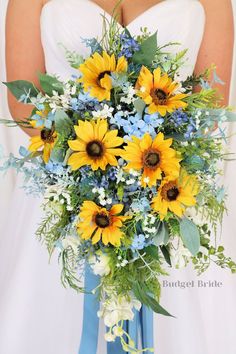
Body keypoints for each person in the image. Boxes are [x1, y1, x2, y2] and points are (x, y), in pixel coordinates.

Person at [0, 1, 234, 354]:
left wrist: (143, 166)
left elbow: (211, 105)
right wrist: (97, 160)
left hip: (165, 194)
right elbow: (24, 103)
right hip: (61, 193)